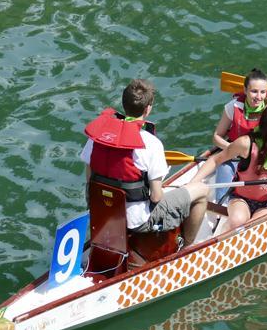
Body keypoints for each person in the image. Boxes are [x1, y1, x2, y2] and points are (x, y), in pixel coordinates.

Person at [82, 79, 208, 245]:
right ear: (148, 109)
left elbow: (89, 179)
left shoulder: (97, 137)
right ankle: (187, 247)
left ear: (123, 104)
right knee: (202, 191)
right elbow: (156, 197)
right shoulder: (151, 143)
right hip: (136, 222)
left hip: (101, 212)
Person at [193, 102, 267, 235]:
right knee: (236, 221)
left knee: (254, 227)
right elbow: (216, 159)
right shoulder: (245, 143)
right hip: (242, 198)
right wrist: (193, 182)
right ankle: (220, 241)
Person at [210, 68, 267, 201]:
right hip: (239, 152)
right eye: (254, 91)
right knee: (224, 166)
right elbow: (216, 137)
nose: (258, 97)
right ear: (245, 90)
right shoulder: (233, 107)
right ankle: (221, 204)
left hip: (265, 153)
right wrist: (233, 149)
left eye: (263, 92)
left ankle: (265, 198)